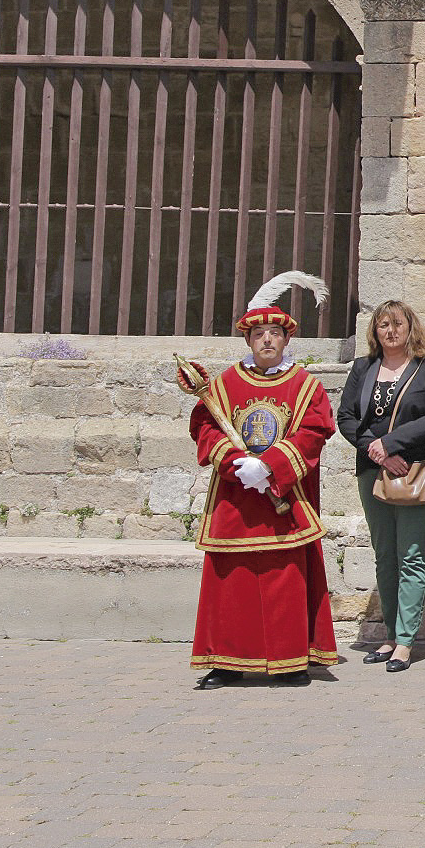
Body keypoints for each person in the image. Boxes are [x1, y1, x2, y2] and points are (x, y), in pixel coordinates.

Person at [186, 279, 338, 688]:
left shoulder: (305, 385)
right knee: (230, 583)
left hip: (283, 498)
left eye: (274, 334)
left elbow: (314, 430)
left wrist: (270, 466)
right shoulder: (222, 386)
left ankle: (289, 660)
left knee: (284, 578)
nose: (267, 340)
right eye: (258, 334)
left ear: (287, 339)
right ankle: (227, 661)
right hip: (235, 499)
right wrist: (237, 464)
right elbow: (205, 427)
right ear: (248, 339)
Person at [336, 300, 425, 672]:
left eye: (397, 323)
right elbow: (347, 416)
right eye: (383, 324)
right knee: (385, 554)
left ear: (410, 328)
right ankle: (389, 635)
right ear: (375, 331)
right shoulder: (363, 368)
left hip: (416, 472)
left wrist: (393, 443)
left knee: (412, 556)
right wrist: (380, 452)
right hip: (374, 470)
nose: (390, 330)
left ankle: (406, 641)